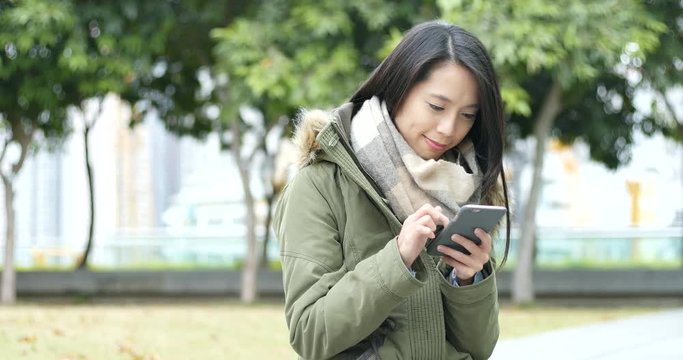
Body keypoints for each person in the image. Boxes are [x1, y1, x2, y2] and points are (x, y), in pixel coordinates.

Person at [273, 20, 511, 360]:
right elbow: (311, 334)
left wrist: (469, 279)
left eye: (468, 115)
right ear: (399, 86)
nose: (449, 129)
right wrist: (397, 258)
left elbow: (479, 348)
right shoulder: (319, 185)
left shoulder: (464, 185)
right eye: (436, 107)